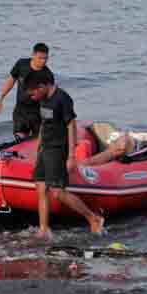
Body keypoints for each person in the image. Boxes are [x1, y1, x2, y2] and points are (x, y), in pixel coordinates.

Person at [24, 70, 104, 238]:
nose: (33, 97)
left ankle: (92, 217)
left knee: (57, 191)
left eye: (34, 93)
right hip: (44, 148)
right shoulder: (42, 98)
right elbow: (44, 124)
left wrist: (71, 156)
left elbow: (71, 125)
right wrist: (37, 147)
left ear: (42, 86)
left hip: (57, 149)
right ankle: (44, 229)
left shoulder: (62, 98)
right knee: (40, 187)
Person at [0, 43, 53, 138]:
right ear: (33, 55)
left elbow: (50, 98)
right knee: (19, 139)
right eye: (40, 58)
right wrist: (1, 98)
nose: (43, 61)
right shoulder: (21, 64)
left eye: (45, 58)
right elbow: (11, 81)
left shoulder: (48, 75)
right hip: (20, 111)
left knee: (36, 142)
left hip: (37, 113)